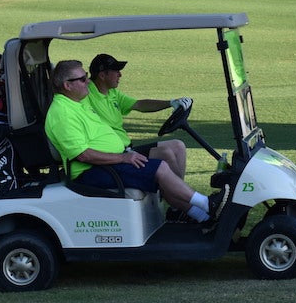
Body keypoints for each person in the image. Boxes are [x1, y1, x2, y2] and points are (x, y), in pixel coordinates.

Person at [44, 60, 227, 223]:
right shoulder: (62, 113)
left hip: (112, 160)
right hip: (91, 171)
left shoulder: (77, 101)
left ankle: (203, 217)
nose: (88, 81)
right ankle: (206, 205)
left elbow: (138, 104)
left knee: (170, 154)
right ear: (67, 85)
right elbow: (83, 155)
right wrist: (123, 158)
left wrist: (171, 103)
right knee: (161, 167)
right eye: (83, 79)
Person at [86, 53, 189, 178]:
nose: (120, 75)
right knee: (166, 153)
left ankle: (179, 193)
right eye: (116, 71)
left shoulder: (112, 93)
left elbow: (139, 104)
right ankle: (182, 194)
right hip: (116, 153)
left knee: (178, 145)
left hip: (127, 148)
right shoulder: (86, 92)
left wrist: (171, 103)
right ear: (102, 75)